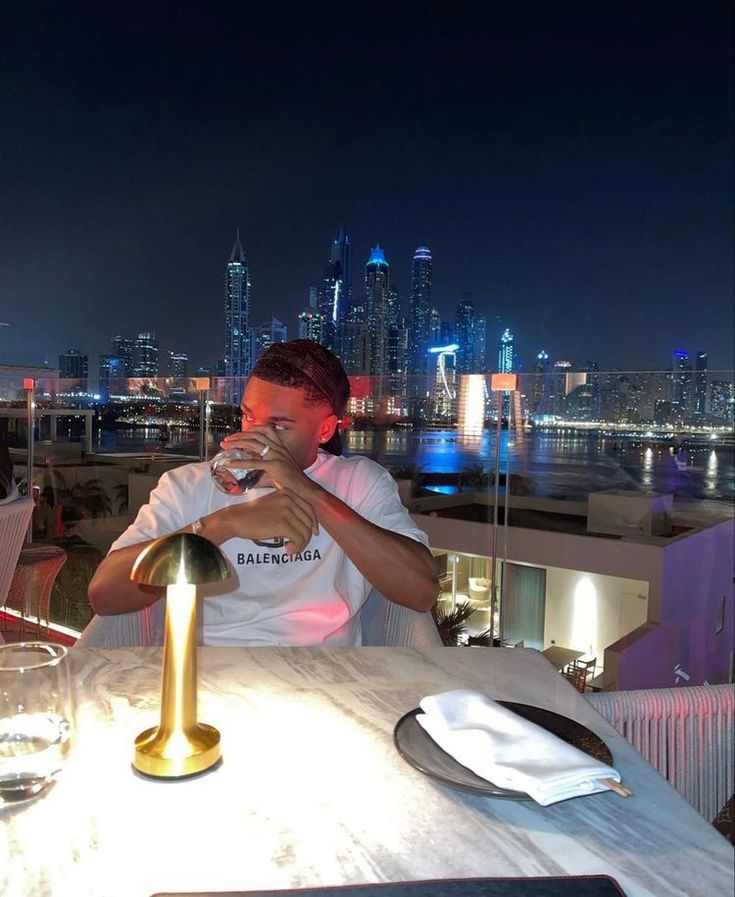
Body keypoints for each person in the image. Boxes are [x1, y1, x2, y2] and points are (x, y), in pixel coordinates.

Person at [88, 340, 438, 645]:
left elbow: (420, 592)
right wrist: (222, 525)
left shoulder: (359, 482)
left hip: (327, 675)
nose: (255, 436)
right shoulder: (187, 485)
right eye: (248, 417)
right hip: (206, 674)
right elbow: (105, 595)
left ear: (325, 429)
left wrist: (309, 492)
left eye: (278, 426)